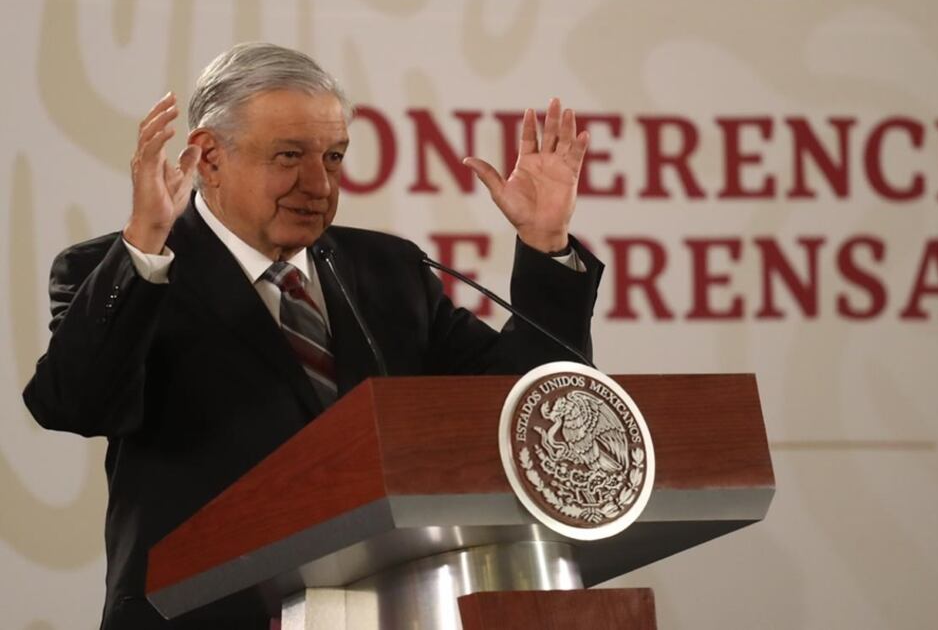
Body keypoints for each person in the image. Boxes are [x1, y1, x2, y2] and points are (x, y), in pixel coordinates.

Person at [22, 43, 602, 629]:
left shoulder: (386, 270)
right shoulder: (129, 269)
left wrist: (545, 245)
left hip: (391, 609)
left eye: (334, 157)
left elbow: (532, 413)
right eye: (289, 156)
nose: (318, 184)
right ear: (209, 158)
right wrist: (145, 245)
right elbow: (74, 402)